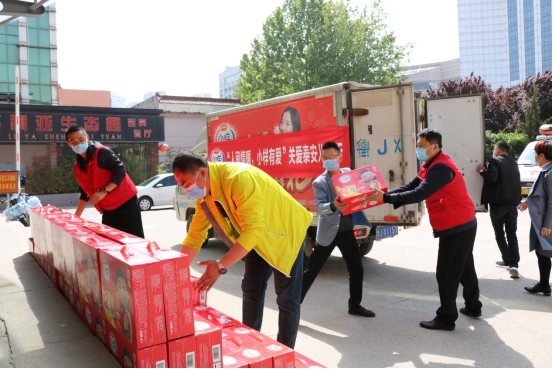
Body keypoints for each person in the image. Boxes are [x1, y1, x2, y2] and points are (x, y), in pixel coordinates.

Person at [174, 151, 312, 349]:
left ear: (202, 173)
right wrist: (175, 272)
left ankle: (284, 353)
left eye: (186, 183)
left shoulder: (238, 178)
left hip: (285, 231)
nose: (187, 190)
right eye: (181, 185)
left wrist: (220, 265)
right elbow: (195, 235)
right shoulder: (204, 196)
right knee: (250, 288)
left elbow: (255, 229)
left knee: (286, 297)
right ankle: (250, 344)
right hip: (254, 235)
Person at [367, 128, 482, 332]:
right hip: (461, 223)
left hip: (456, 226)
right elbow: (412, 185)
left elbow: (419, 194)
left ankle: (446, 318)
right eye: (418, 146)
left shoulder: (440, 168)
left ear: (434, 146)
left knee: (446, 273)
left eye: (421, 146)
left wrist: (384, 199)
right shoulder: (431, 163)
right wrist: (385, 194)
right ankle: (473, 307)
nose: (418, 149)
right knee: (464, 267)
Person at [301, 142, 376, 318]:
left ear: (340, 157)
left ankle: (355, 305)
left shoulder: (348, 175)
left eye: (331, 157)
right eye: (324, 158)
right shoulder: (320, 182)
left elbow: (359, 194)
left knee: (356, 269)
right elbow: (319, 208)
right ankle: (292, 305)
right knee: (311, 271)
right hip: (328, 233)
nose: (328, 161)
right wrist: (333, 205)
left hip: (347, 232)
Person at [65, 126, 144, 238]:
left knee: (133, 240)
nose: (78, 144)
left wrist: (104, 191)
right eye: (73, 142)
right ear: (68, 144)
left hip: (126, 201)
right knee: (110, 241)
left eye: (81, 140)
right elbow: (84, 192)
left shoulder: (102, 152)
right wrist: (75, 218)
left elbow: (120, 171)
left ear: (87, 137)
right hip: (108, 207)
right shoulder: (78, 166)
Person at [477, 141, 522, 278]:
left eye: (494, 149)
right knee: (512, 234)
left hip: (497, 205)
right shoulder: (514, 163)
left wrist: (481, 171)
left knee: (499, 233)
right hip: (512, 205)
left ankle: (506, 260)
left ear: (497, 150)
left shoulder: (494, 161)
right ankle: (514, 263)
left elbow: (492, 177)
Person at [519, 140, 552, 296]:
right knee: (541, 252)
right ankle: (544, 285)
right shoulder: (546, 169)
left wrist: (547, 224)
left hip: (546, 222)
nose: (534, 157)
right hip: (541, 220)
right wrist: (527, 201)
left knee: (544, 251)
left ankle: (544, 285)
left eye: (535, 154)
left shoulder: (550, 172)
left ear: (542, 156)